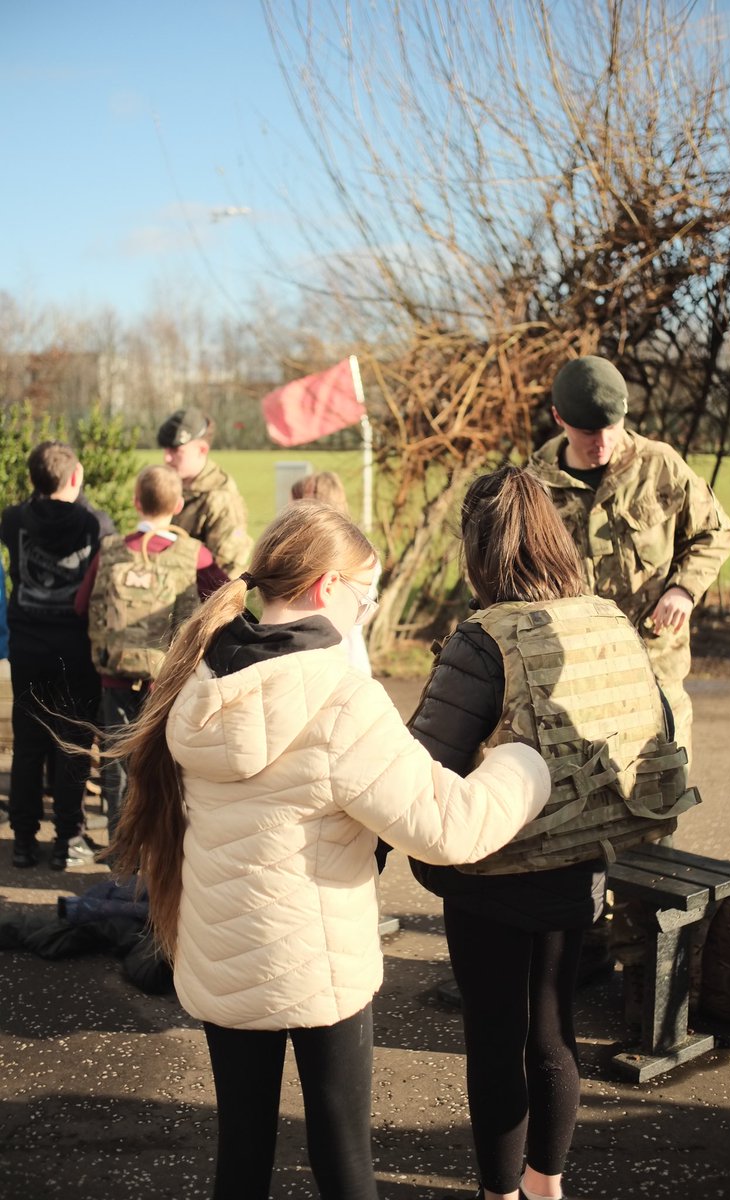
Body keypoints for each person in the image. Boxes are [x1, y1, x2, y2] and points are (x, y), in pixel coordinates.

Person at [107, 499, 552, 1200]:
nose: (363, 616)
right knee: (343, 1158)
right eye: (365, 599)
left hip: (223, 956)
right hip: (318, 966)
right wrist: (526, 763)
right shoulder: (343, 699)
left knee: (242, 1152)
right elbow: (449, 827)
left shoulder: (198, 676)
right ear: (327, 590)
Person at [408, 465, 694, 1200]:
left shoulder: (483, 640)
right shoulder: (603, 618)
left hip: (493, 874)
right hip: (583, 862)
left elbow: (419, 764)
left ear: (480, 550)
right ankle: (546, 1185)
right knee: (552, 1029)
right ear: (553, 537)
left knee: (494, 1039)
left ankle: (500, 1193)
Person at [528, 355, 730, 760]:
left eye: (610, 426)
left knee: (659, 792)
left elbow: (715, 531)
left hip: (654, 671)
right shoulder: (535, 487)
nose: (601, 442)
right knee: (589, 809)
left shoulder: (659, 466)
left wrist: (683, 589)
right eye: (587, 430)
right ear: (558, 417)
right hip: (572, 680)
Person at [74, 465, 228, 846]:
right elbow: (226, 599)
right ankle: (161, 855)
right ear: (178, 505)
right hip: (167, 682)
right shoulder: (193, 554)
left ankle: (119, 858)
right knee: (166, 770)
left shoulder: (111, 551)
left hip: (115, 678)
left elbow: (82, 605)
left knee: (118, 769)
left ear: (135, 502)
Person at [1, 441, 108, 870]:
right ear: (76, 477)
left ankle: (23, 840)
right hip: (75, 649)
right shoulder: (96, 523)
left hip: (27, 646)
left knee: (27, 744)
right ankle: (68, 839)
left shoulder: (11, 521)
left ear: (33, 480)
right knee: (73, 743)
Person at [298, 470, 379, 676]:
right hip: (348, 655)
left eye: (300, 500)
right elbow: (368, 610)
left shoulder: (336, 553)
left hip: (337, 657)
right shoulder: (361, 548)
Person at [157, 407, 253, 576]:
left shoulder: (222, 500)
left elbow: (227, 576)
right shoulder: (172, 485)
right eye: (165, 450)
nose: (167, 458)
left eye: (176, 451)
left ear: (202, 450)